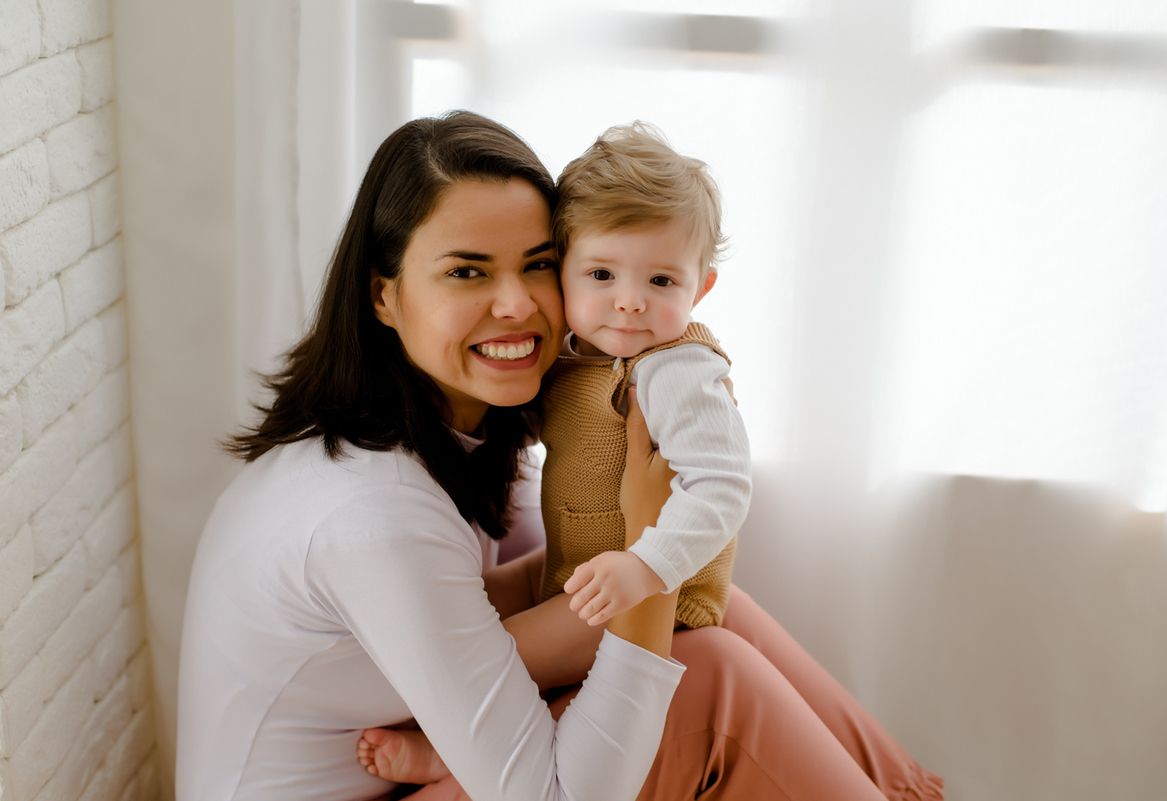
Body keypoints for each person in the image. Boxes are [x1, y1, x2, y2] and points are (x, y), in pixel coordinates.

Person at [176, 111, 686, 801]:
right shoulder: (372, 509)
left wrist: (650, 548)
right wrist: (661, 554)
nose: (515, 303)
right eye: (467, 271)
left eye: (538, 264)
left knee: (712, 621)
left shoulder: (431, 439)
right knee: (708, 686)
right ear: (384, 295)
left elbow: (475, 614)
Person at [538, 122, 750, 631]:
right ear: (559, 269)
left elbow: (722, 483)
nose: (631, 300)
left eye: (661, 280)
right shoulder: (571, 357)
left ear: (699, 289)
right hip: (591, 586)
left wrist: (648, 566)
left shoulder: (672, 366)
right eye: (602, 275)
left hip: (664, 600)